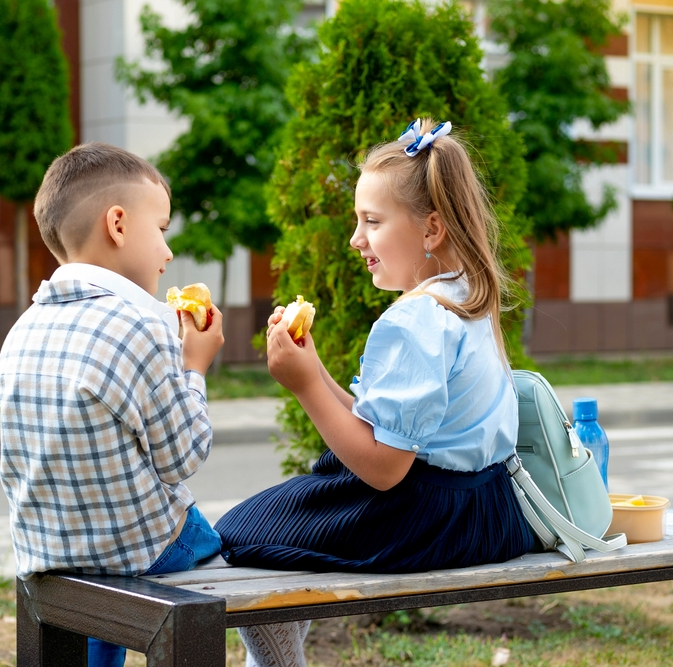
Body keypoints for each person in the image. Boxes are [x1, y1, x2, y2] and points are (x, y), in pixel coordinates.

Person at [216, 119, 534, 667]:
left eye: (372, 221)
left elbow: (385, 467)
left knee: (237, 530)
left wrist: (305, 384)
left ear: (431, 229)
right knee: (292, 521)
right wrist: (315, 367)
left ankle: (276, 662)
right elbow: (383, 425)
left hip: (421, 516)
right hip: (489, 510)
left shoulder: (412, 319)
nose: (355, 239)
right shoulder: (467, 300)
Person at [0, 142, 225, 667]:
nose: (167, 254)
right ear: (117, 224)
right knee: (225, 538)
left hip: (48, 549)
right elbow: (182, 457)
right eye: (162, 230)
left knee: (108, 560)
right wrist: (196, 366)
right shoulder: (146, 324)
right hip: (139, 550)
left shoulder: (22, 330)